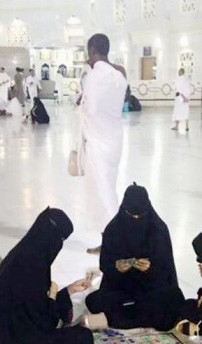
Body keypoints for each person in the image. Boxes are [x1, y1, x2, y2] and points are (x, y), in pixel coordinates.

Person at [0, 208, 94, 344]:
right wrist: (52, 296)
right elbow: (44, 323)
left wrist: (69, 291)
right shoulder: (33, 268)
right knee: (84, 338)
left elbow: (32, 305)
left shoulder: (22, 254)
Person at [84, 184, 183, 331]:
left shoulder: (158, 229)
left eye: (140, 215)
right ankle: (136, 316)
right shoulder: (113, 229)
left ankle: (122, 317)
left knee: (170, 302)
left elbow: (167, 269)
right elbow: (105, 265)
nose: (136, 218)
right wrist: (117, 268)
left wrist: (151, 268)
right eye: (131, 215)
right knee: (94, 301)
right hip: (120, 289)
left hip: (151, 290)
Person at [81, 33, 128, 254]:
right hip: (115, 140)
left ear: (92, 51)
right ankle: (108, 240)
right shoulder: (119, 75)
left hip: (98, 142)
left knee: (104, 194)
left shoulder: (94, 76)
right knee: (106, 190)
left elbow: (89, 108)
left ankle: (119, 241)